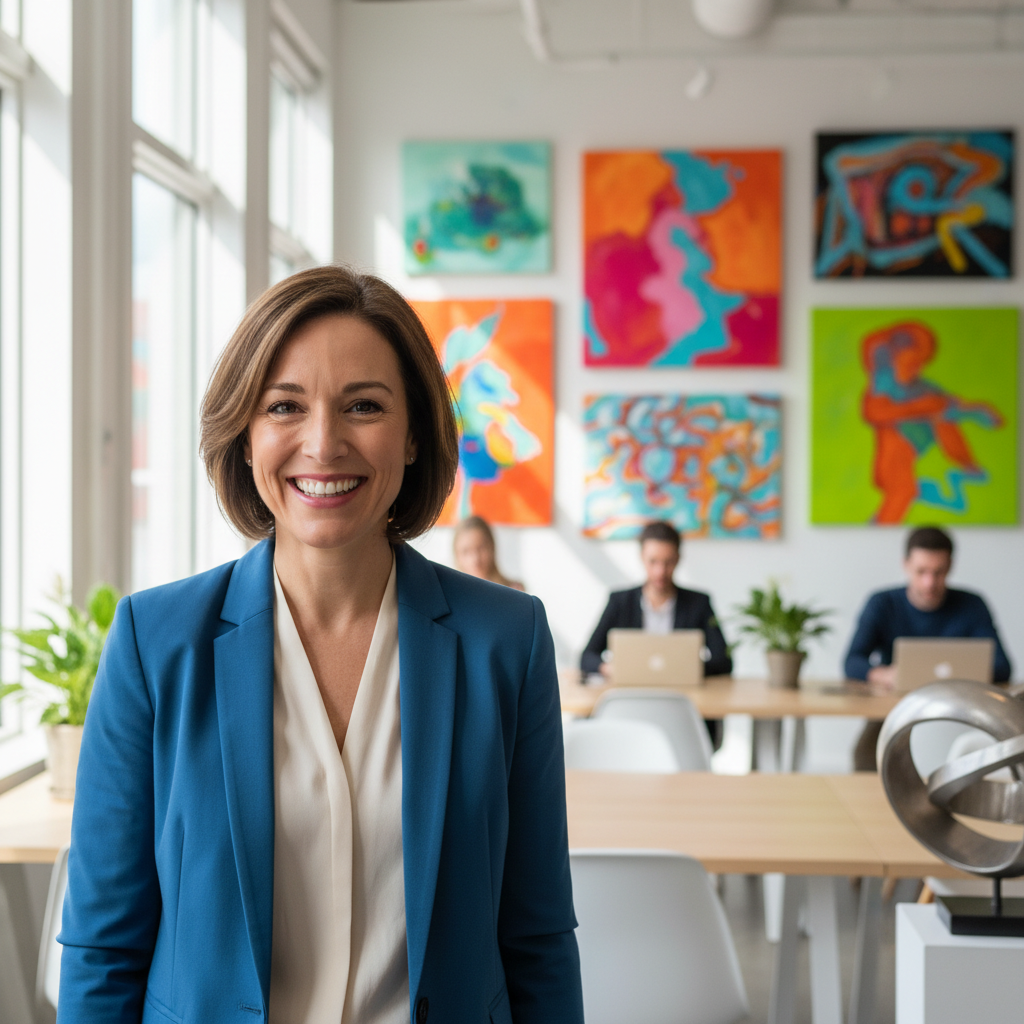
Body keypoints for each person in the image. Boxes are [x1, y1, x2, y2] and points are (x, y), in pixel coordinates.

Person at [58, 266, 584, 1024]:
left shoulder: (507, 640)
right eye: (284, 407)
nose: (323, 443)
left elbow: (534, 936)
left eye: (363, 406)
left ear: (411, 438)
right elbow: (104, 949)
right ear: (245, 437)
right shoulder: (154, 643)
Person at [844, 525, 1012, 771]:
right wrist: (884, 674)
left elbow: (1002, 667)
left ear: (950, 567)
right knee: (866, 758)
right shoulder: (882, 603)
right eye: (921, 571)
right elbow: (852, 661)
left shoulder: (972, 605)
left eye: (938, 572)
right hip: (892, 712)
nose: (929, 582)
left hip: (959, 715)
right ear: (906, 565)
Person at [580, 521, 731, 745]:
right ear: (642, 558)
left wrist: (686, 669)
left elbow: (724, 661)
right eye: (653, 562)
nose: (660, 571)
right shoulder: (620, 601)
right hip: (631, 708)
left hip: (684, 709)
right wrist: (611, 668)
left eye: (668, 562)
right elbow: (587, 656)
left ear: (679, 559)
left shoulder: (699, 603)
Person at [453, 515, 524, 591]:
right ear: (456, 554)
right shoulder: (451, 593)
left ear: (492, 547)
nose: (475, 559)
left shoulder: (514, 591)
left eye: (481, 548)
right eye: (466, 551)